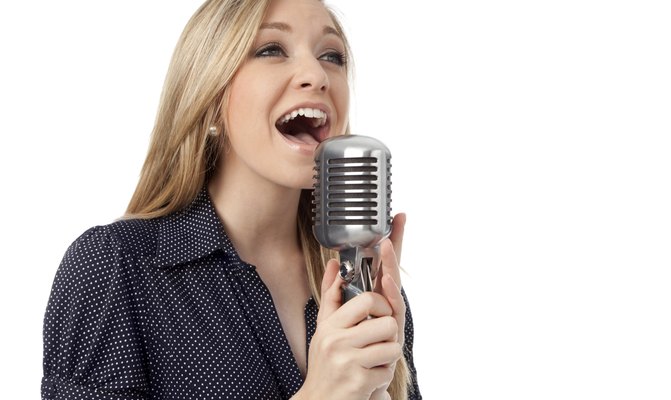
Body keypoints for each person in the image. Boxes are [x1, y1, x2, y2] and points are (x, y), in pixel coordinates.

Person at [41, 0, 421, 399]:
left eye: (331, 56)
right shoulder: (115, 267)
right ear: (209, 100)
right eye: (271, 50)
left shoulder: (364, 287)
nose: (316, 75)